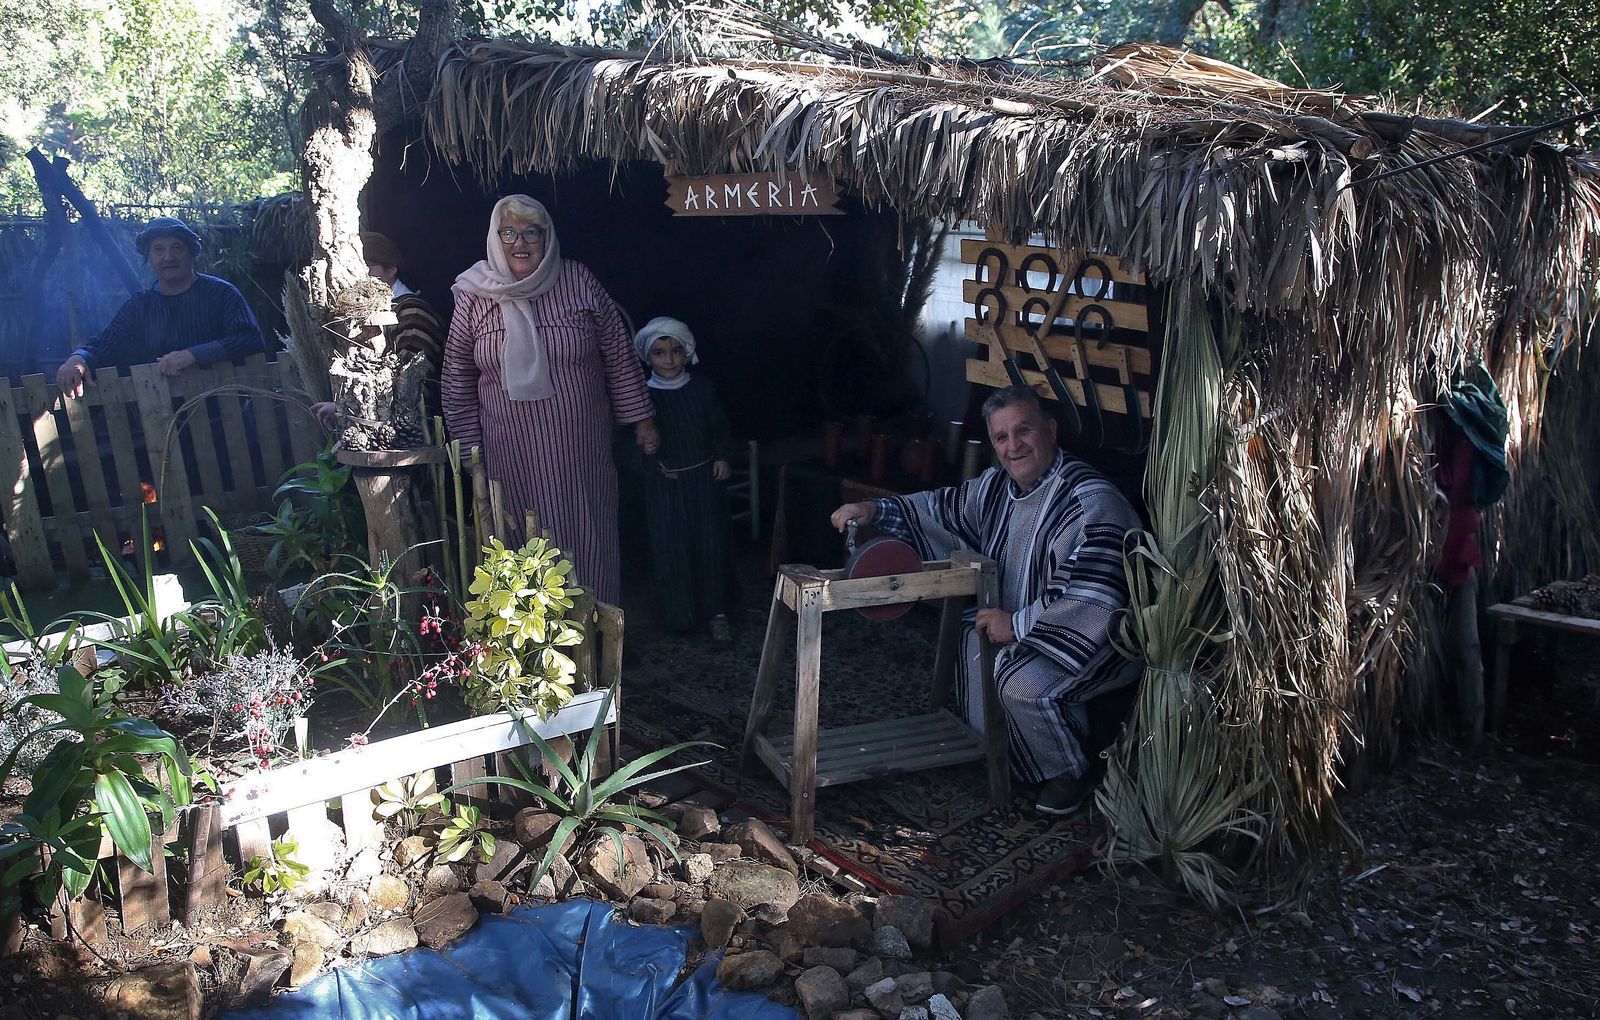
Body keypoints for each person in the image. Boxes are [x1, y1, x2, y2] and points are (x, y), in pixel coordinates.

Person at [829, 385, 1141, 817]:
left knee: (1021, 684)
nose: (1014, 446)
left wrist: (1016, 626)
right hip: (1023, 622)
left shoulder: (1090, 502)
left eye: (1024, 431)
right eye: (1001, 437)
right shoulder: (998, 486)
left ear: (1050, 431)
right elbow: (940, 508)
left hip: (1096, 637)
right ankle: (1008, 759)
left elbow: (1096, 592)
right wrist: (873, 511)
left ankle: (1069, 774)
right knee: (972, 646)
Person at [442, 195, 658, 606]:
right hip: (509, 450)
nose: (519, 242)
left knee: (586, 532)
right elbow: (457, 375)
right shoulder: (475, 293)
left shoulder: (578, 281)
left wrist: (642, 421)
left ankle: (593, 636)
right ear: (495, 236)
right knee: (519, 534)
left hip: (579, 449)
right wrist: (470, 453)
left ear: (548, 237)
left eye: (531, 233)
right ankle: (532, 650)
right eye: (508, 233)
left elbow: (618, 354)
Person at [57, 216, 264, 398]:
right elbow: (105, 344)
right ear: (149, 258)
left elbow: (249, 339)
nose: (168, 257)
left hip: (227, 420)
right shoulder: (140, 306)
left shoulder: (221, 293)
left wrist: (192, 355)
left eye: (177, 248)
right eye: (158, 249)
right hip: (163, 419)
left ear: (191, 254)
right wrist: (77, 360)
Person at [631, 316, 735, 642]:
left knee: (710, 545)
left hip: (703, 483)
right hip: (665, 486)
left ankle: (717, 613)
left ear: (686, 352)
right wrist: (644, 454)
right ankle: (680, 615)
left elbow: (720, 426)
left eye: (676, 351)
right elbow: (627, 445)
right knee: (670, 547)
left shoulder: (702, 389)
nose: (669, 359)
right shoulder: (641, 398)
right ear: (648, 357)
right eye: (660, 353)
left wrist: (722, 456)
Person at [312, 232, 447, 427]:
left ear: (390, 270)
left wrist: (348, 410)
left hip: (418, 435)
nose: (359, 275)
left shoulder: (412, 311)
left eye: (367, 267)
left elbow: (412, 385)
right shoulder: (373, 315)